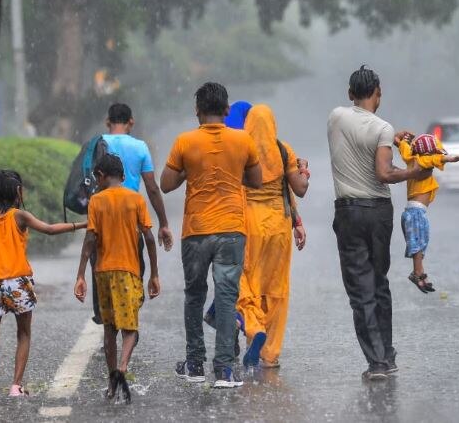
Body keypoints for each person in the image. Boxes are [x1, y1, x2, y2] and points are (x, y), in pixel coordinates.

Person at [327, 65, 430, 381]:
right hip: (379, 213)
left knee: (361, 289)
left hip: (349, 212)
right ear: (379, 93)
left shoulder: (336, 117)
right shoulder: (383, 128)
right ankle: (387, 353)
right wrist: (415, 171)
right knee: (378, 281)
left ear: (349, 95)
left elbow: (368, 154)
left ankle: (378, 363)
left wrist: (390, 144)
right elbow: (385, 173)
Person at [160, 82, 262, 388]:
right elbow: (256, 180)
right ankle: (224, 370)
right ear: (227, 110)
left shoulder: (185, 141)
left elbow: (166, 184)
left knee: (194, 295)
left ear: (197, 112)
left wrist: (192, 169)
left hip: (196, 231)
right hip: (232, 229)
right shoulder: (243, 139)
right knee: (227, 297)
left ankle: (194, 363)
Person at [0, 170, 86, 399]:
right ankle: (16, 387)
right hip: (18, 283)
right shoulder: (20, 216)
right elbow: (50, 230)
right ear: (17, 192)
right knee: (23, 334)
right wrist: (82, 225)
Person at [74, 154, 161, 402]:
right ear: (123, 177)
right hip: (128, 271)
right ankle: (123, 367)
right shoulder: (135, 199)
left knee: (110, 328)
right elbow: (150, 239)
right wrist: (154, 274)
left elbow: (90, 239)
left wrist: (81, 274)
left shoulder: (96, 201)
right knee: (130, 328)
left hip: (102, 272)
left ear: (101, 176)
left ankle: (112, 382)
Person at [236, 104, 309, 368]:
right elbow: (297, 189)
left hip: (249, 224)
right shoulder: (283, 149)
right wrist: (303, 170)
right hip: (279, 225)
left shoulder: (241, 148)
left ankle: (254, 329)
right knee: (276, 288)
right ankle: (270, 355)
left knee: (245, 281)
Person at [89, 103, 173, 324]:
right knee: (135, 268)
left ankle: (104, 316)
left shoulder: (99, 143)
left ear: (108, 122)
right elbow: (152, 187)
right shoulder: (140, 147)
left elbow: (89, 181)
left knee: (99, 265)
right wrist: (163, 223)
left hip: (103, 218)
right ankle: (130, 315)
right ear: (131, 122)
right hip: (130, 221)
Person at [395, 132, 459, 293]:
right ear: (427, 153)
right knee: (418, 245)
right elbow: (435, 159)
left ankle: (419, 273)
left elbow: (403, 148)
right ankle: (418, 274)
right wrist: (450, 158)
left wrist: (400, 140)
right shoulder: (422, 161)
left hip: (413, 212)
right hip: (416, 212)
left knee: (420, 244)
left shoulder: (411, 158)